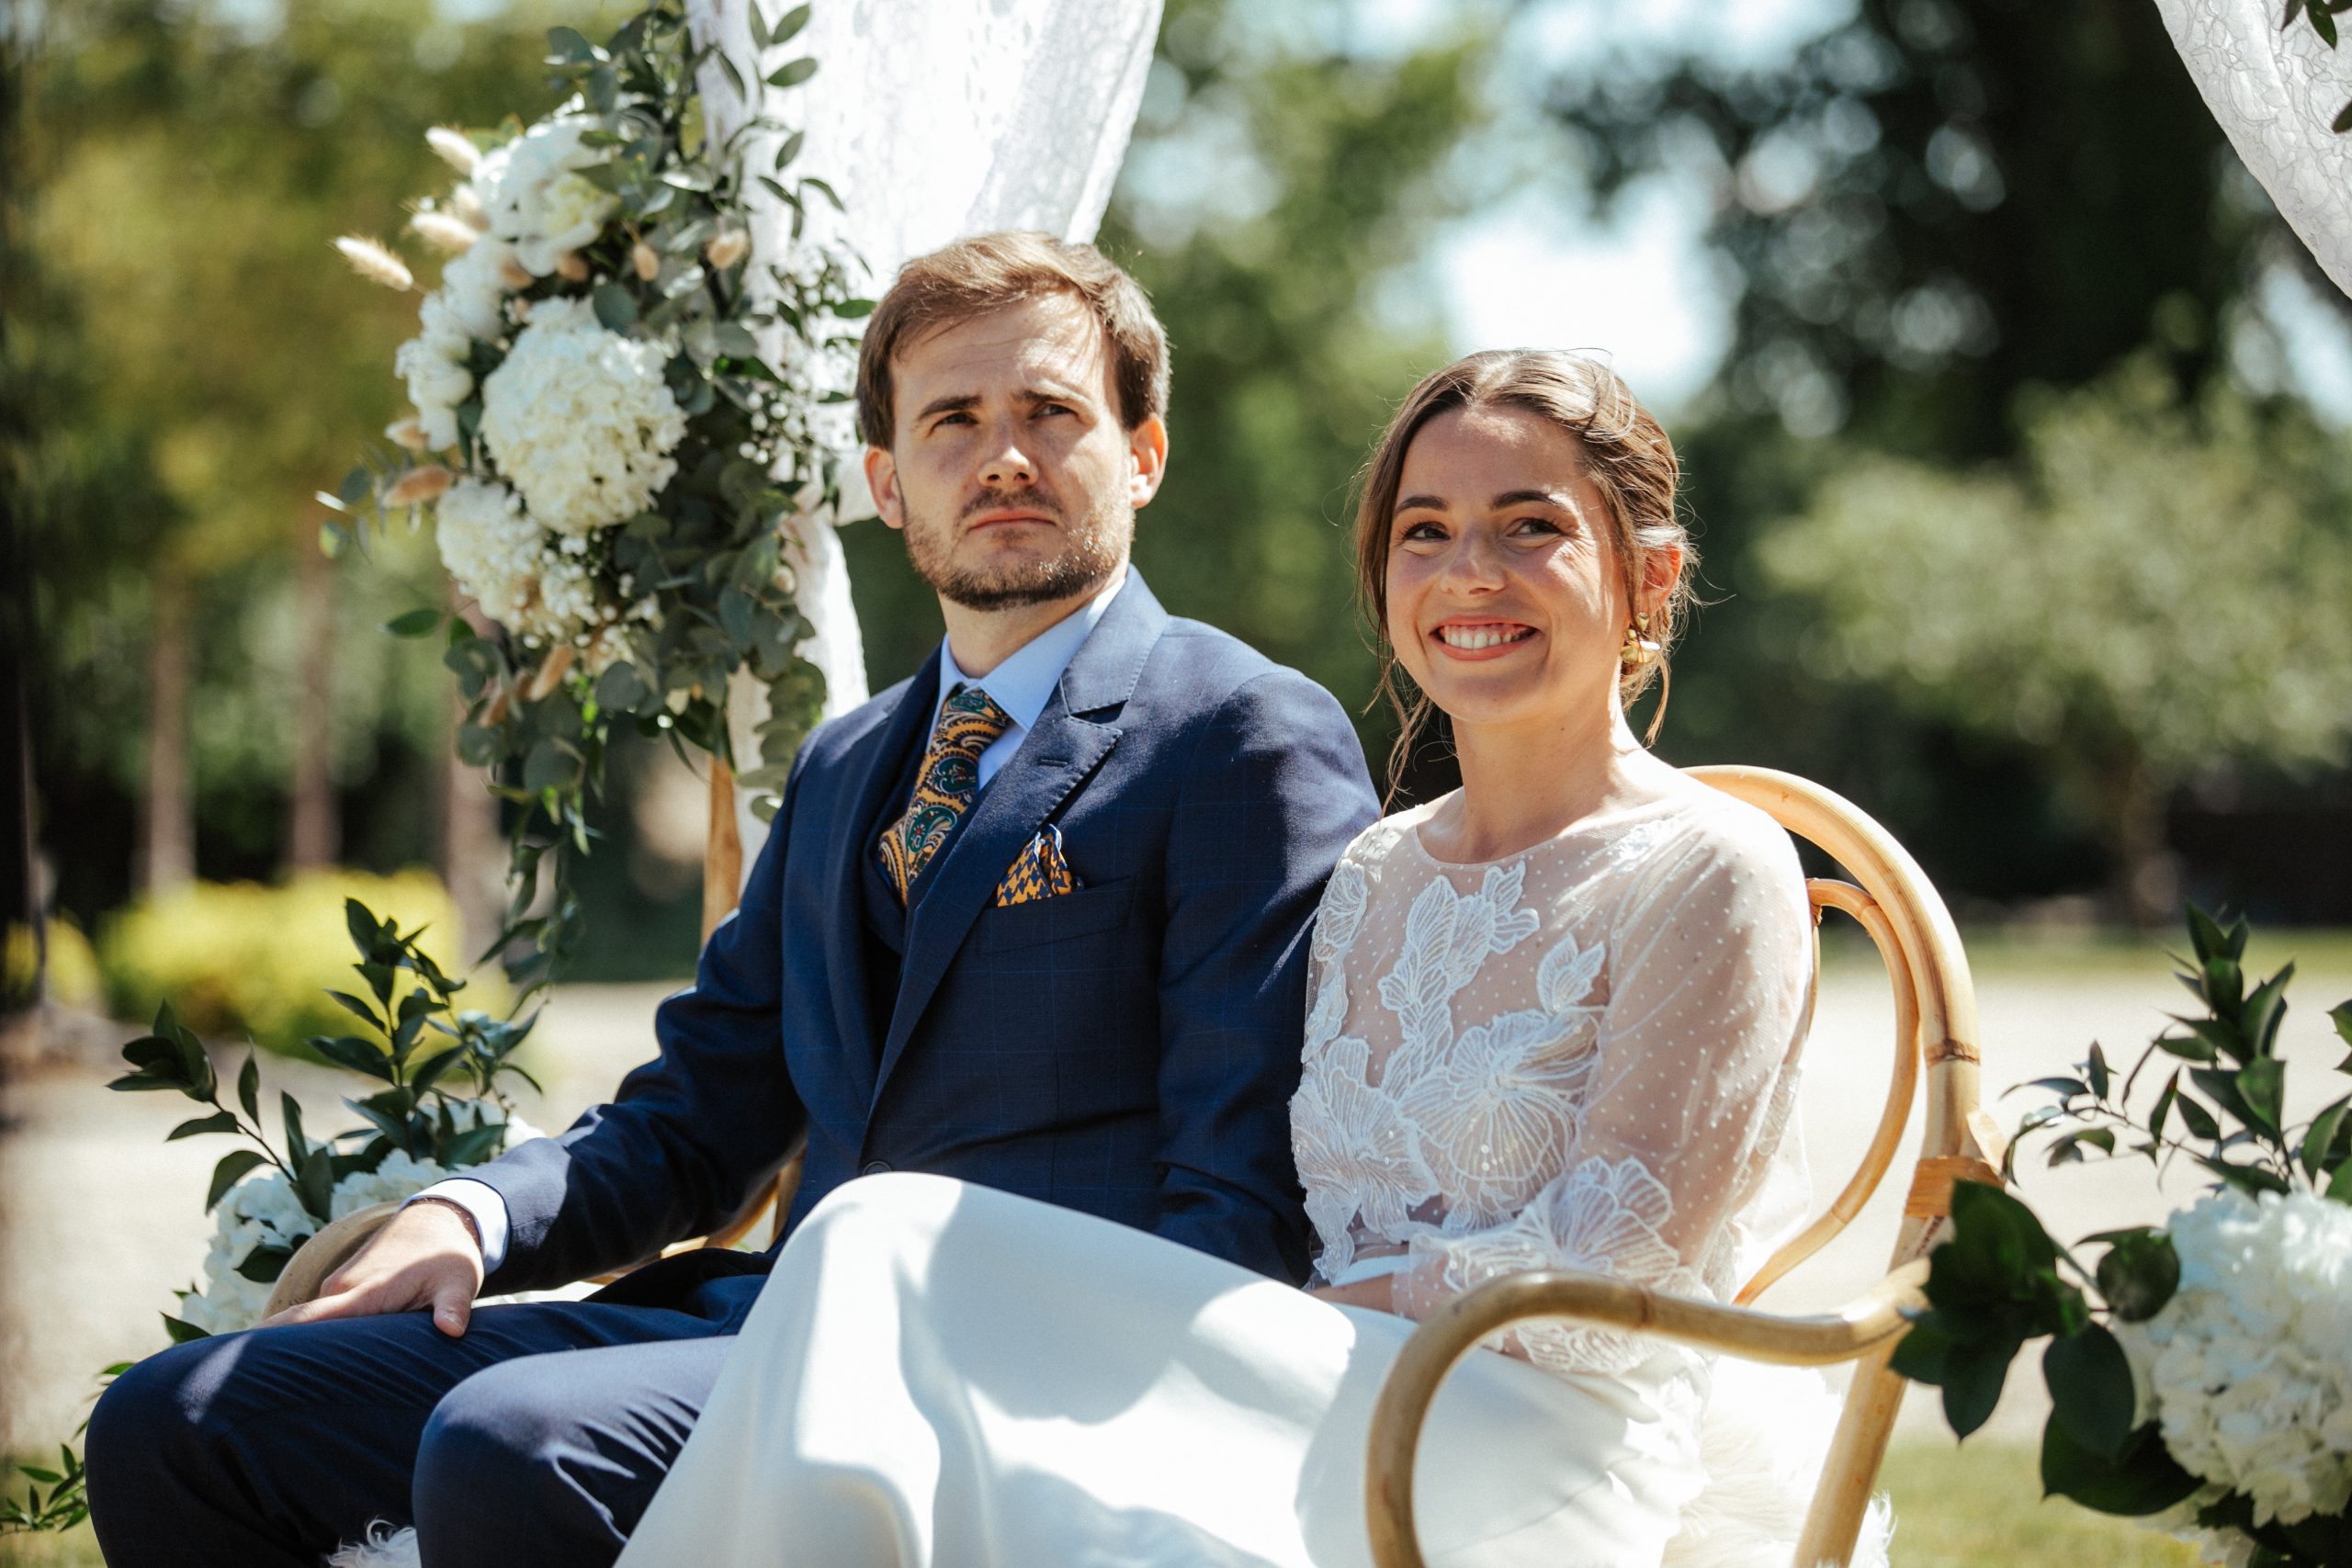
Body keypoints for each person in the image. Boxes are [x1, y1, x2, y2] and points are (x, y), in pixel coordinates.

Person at [82, 231, 1381, 1568]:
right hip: (761, 1327)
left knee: (514, 1441)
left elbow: (1238, 1189)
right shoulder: (845, 763)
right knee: (182, 1420)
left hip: (1019, 1372)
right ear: (887, 481)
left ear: (1144, 454)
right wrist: (465, 1215)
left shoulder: (1241, 733)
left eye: (1052, 413)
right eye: (952, 422)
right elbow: (701, 1115)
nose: (1003, 455)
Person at [612, 349, 1818, 1568]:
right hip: (1303, 1383)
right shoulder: (1378, 869)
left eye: (1528, 527)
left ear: (1649, 576)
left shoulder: (1713, 868)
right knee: (868, 1247)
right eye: (1425, 530)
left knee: (932, 1360)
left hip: (1520, 1447)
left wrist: (1275, 1322)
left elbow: (1612, 1279)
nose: (1469, 573)